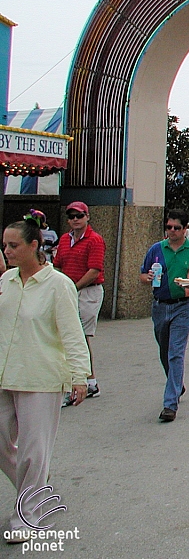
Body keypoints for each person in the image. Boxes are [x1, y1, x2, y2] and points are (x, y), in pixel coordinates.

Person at [0, 215, 90, 541]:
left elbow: (72, 334)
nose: (7, 250)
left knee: (33, 452)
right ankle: (36, 486)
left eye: (14, 245)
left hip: (41, 379)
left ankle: (27, 513)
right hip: (5, 374)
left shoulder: (59, 285)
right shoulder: (6, 282)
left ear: (34, 246)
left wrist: (80, 377)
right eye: (5, 244)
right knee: (6, 447)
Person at [140, 209, 189, 422]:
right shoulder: (156, 249)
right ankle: (177, 384)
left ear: (185, 229)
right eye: (169, 227)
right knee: (164, 351)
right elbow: (143, 275)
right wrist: (147, 277)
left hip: (183, 306)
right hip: (161, 305)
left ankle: (170, 404)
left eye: (176, 228)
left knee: (175, 353)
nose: (172, 231)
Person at [52, 201, 105, 400]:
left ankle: (82, 382)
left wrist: (72, 289)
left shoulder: (95, 240)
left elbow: (94, 271)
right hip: (67, 291)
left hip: (87, 293)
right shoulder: (65, 240)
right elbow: (58, 265)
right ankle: (89, 381)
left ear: (87, 217)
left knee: (80, 336)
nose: (75, 219)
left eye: (79, 215)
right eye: (72, 216)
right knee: (70, 336)